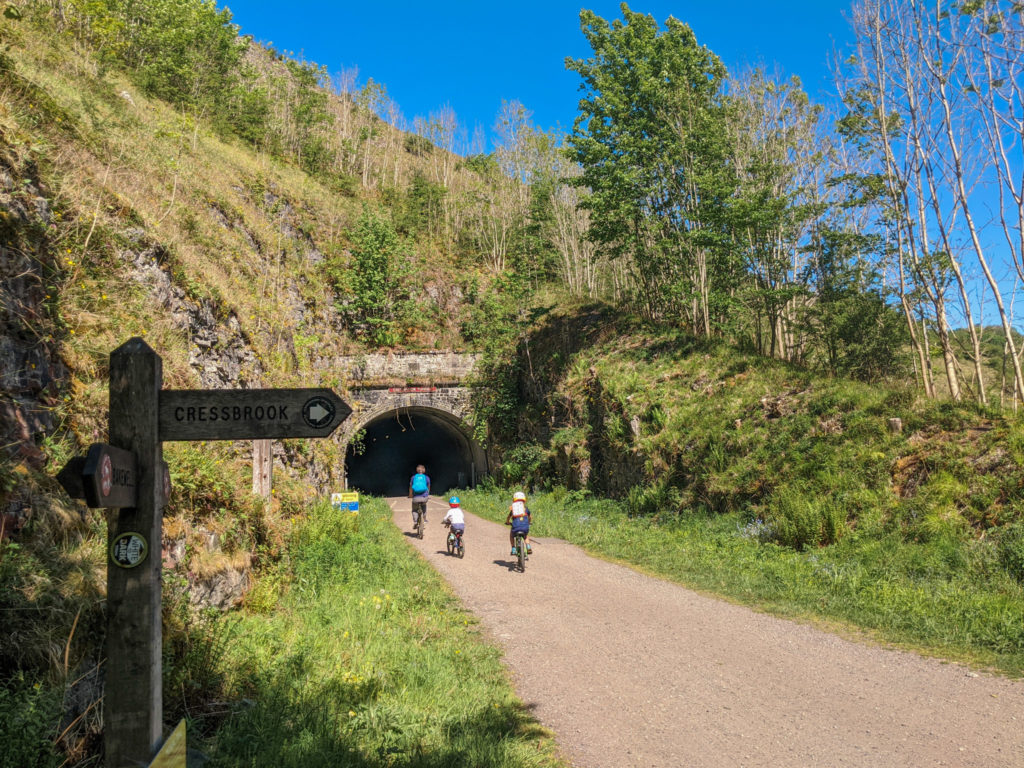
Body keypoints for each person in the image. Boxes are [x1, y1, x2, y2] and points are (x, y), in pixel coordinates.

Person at [505, 490, 532, 556]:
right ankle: (528, 546)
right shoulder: (525, 508)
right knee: (525, 536)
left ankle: (513, 548)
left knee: (511, 535)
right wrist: (529, 522)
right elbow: (530, 517)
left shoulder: (513, 509)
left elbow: (508, 517)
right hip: (525, 527)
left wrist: (507, 522)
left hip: (515, 527)